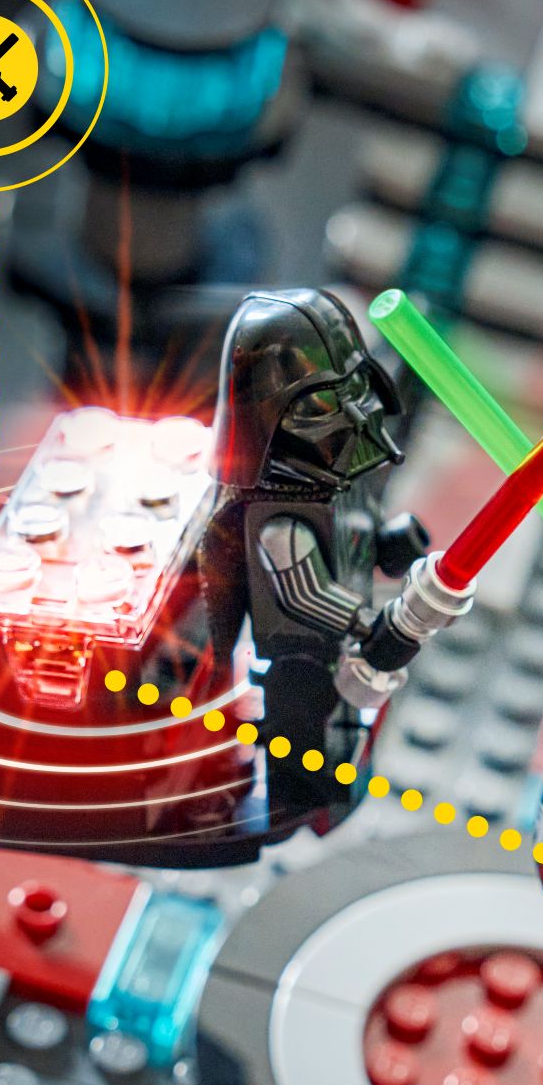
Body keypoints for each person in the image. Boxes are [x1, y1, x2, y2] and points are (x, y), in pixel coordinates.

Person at [198, 288, 425, 822]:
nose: (354, 411)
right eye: (322, 401)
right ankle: (298, 800)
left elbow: (356, 529)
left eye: (355, 387)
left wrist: (390, 542)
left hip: (338, 639)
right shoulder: (281, 520)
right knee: (300, 731)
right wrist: (368, 624)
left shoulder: (338, 482)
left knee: (338, 717)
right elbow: (303, 592)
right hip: (300, 652)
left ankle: (328, 785)